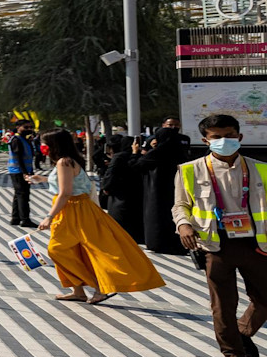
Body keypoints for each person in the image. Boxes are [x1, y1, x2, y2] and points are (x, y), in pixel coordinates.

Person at [173, 114, 266, 357]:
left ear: (240, 137)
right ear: (205, 140)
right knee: (223, 304)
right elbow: (181, 204)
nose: (224, 141)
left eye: (229, 136)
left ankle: (243, 332)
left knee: (264, 298)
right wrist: (183, 225)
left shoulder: (261, 168)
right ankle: (232, 354)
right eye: (217, 137)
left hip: (256, 243)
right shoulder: (190, 170)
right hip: (216, 244)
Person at [36, 128, 162, 305]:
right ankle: (78, 290)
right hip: (74, 208)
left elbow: (65, 193)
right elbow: (68, 185)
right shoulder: (66, 161)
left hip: (75, 209)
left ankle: (99, 287)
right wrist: (42, 180)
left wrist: (49, 216)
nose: (42, 146)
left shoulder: (64, 162)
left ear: (54, 144)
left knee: (59, 249)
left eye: (45, 143)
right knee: (70, 250)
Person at [138, 125, 192, 256]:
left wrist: (151, 149)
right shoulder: (181, 152)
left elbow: (139, 164)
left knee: (158, 218)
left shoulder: (157, 153)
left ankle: (158, 242)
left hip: (157, 193)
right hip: (176, 192)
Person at [99, 135, 143, 243]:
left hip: (119, 194)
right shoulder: (138, 156)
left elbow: (111, 173)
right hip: (135, 193)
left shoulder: (119, 156)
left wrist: (105, 187)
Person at [6, 121, 38, 227]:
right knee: (23, 195)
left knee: (18, 195)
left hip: (24, 170)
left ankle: (15, 218)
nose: (29, 129)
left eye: (30, 127)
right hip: (18, 171)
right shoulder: (16, 140)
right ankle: (25, 219)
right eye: (26, 127)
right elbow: (19, 157)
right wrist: (25, 173)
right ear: (18, 127)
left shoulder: (25, 140)